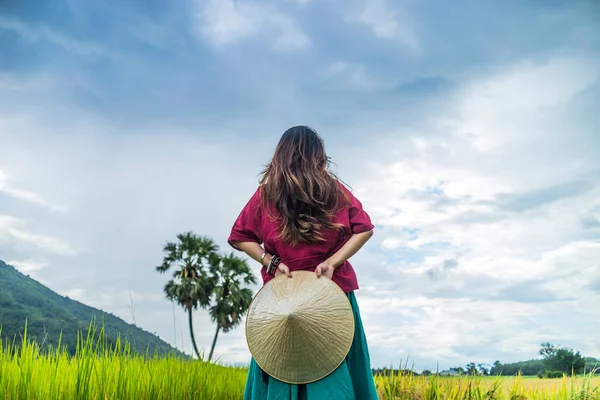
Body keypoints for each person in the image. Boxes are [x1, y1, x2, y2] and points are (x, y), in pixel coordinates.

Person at [228, 126, 379, 400]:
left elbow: (239, 237)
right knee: (333, 367)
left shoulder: (266, 195)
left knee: (281, 361)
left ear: (281, 155)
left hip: (283, 299)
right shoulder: (334, 191)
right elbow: (364, 228)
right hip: (331, 294)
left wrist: (270, 262)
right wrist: (332, 263)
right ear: (318, 156)